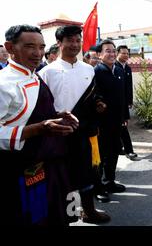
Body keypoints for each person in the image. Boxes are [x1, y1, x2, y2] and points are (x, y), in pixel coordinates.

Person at [0, 25, 79, 226]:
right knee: (33, 216)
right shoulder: (4, 83)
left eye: (41, 47)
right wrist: (41, 127)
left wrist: (57, 116)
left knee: (56, 213)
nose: (38, 53)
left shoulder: (33, 74)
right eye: (29, 47)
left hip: (51, 161)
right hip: (22, 166)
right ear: (10, 47)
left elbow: (36, 112)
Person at [39, 25, 110, 223]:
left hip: (83, 131)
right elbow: (43, 106)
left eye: (78, 40)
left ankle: (89, 211)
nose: (75, 44)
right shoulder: (47, 72)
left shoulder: (89, 69)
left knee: (86, 173)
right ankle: (68, 214)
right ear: (59, 43)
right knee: (63, 176)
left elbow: (94, 95)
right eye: (70, 40)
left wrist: (99, 104)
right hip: (58, 133)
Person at [94, 40, 128, 195]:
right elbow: (93, 97)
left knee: (114, 152)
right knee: (100, 156)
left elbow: (123, 97)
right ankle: (98, 187)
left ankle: (110, 181)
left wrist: (124, 117)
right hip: (101, 123)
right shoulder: (96, 72)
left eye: (114, 51)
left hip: (117, 121)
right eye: (108, 51)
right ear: (100, 54)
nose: (112, 54)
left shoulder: (119, 70)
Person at [115, 45, 139, 161]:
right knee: (123, 126)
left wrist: (130, 100)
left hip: (125, 102)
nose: (126, 55)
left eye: (127, 54)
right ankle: (129, 150)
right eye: (123, 53)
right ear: (117, 53)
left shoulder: (128, 68)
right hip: (117, 103)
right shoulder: (114, 67)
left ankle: (120, 148)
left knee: (122, 125)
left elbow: (129, 86)